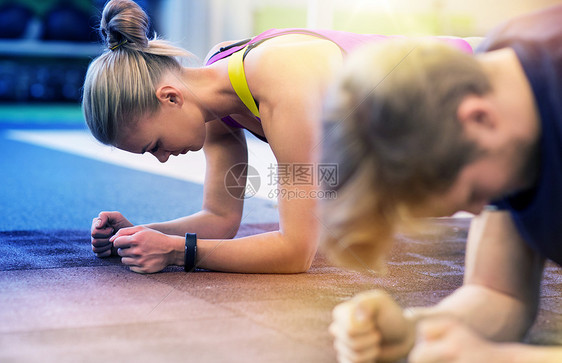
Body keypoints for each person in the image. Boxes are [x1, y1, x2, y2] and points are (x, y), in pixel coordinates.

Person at [84, 0, 473, 274]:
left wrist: (178, 253)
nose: (163, 158)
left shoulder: (280, 77)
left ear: (170, 97)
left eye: (154, 146)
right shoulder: (216, 96)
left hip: (473, 93)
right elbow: (220, 218)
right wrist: (142, 235)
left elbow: (296, 252)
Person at [323, 4, 562, 362]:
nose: (483, 210)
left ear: (479, 118)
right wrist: (413, 330)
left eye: (473, 194)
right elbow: (498, 294)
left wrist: (504, 359)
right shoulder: (493, 75)